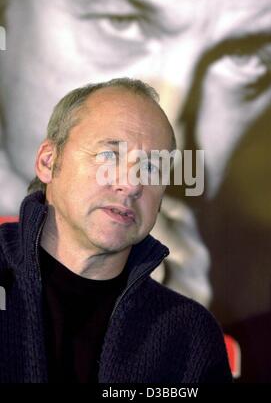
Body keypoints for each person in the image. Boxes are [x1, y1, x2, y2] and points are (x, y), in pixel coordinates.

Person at [0, 77, 232, 383]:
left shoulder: (188, 336)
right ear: (48, 161)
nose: (132, 184)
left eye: (151, 168)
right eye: (109, 155)